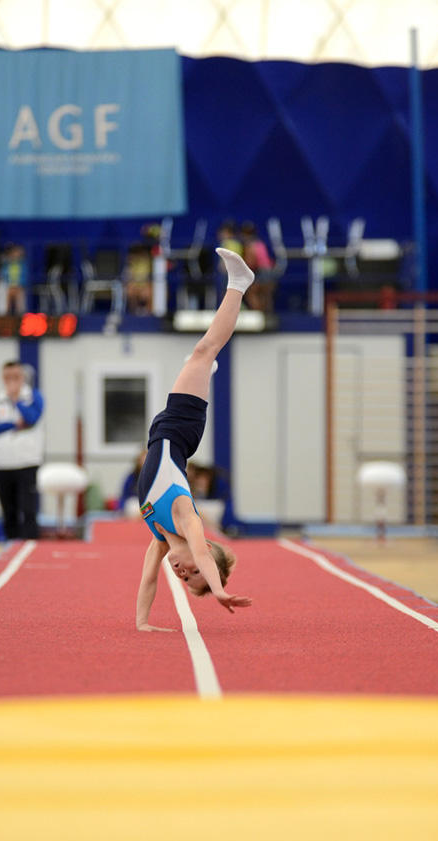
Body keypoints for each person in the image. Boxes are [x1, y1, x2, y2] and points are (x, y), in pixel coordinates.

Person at [135, 248, 253, 631]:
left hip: (163, 431)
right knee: (204, 350)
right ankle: (239, 284)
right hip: (180, 431)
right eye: (193, 572)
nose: (183, 573)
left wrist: (142, 624)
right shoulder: (187, 516)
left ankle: (203, 370)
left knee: (199, 361)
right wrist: (217, 591)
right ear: (208, 556)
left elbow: (149, 580)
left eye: (186, 581)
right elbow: (200, 552)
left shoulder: (160, 537)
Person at [0, 361, 44, 539]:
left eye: (16, 377)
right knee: (8, 512)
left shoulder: (33, 397)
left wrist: (17, 400)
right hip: (1, 464)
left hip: (27, 463)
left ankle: (31, 547)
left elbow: (32, 418)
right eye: (8, 378)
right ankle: (11, 546)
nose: (12, 382)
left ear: (22, 378)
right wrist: (13, 424)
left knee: (28, 510)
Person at [240, 220, 275, 312]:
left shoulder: (249, 244)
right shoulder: (260, 243)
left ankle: (258, 313)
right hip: (269, 270)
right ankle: (266, 314)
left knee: (251, 292)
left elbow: (251, 262)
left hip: (261, 271)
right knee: (265, 294)